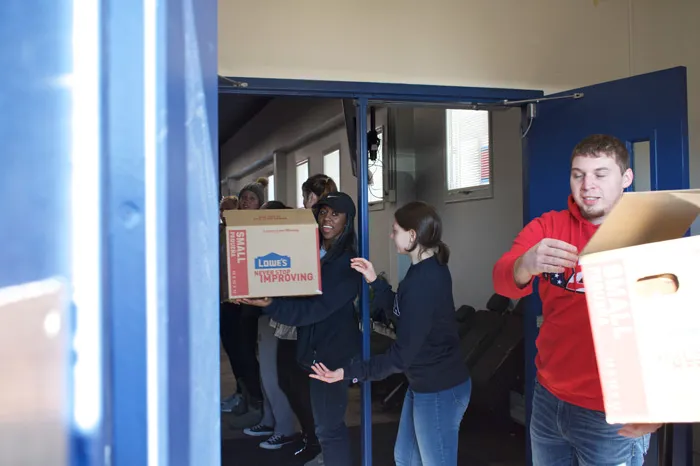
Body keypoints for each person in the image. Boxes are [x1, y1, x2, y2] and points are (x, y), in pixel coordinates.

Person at [492, 134, 661, 465]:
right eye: (578, 174)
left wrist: (661, 402)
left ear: (626, 178)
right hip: (548, 399)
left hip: (612, 413)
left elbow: (673, 326)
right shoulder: (549, 226)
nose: (588, 185)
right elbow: (502, 281)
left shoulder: (647, 234)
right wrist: (526, 263)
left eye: (600, 174)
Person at [311, 201, 471, 465]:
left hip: (440, 389)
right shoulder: (422, 269)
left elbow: (400, 357)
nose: (391, 235)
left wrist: (346, 373)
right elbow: (403, 311)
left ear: (412, 235)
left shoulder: (425, 281)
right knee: (405, 457)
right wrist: (375, 281)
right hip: (423, 383)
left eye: (395, 230)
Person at [237, 192, 361, 466]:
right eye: (323, 212)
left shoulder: (346, 266)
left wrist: (270, 303)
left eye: (335, 214)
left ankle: (331, 459)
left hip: (333, 355)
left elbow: (312, 310)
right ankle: (326, 457)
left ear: (347, 221)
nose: (327, 219)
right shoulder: (319, 254)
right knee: (324, 425)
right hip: (315, 350)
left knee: (330, 427)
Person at [242, 200, 299, 450]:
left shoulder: (289, 249)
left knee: (275, 375)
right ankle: (269, 420)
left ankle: (284, 428)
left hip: (279, 316)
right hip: (264, 315)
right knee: (267, 374)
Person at [222, 178, 268, 428]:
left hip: (248, 304)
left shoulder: (259, 228)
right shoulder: (229, 227)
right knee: (233, 350)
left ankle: (256, 401)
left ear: (259, 204)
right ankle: (242, 394)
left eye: (251, 198)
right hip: (227, 300)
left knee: (246, 352)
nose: (245, 201)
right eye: (243, 197)